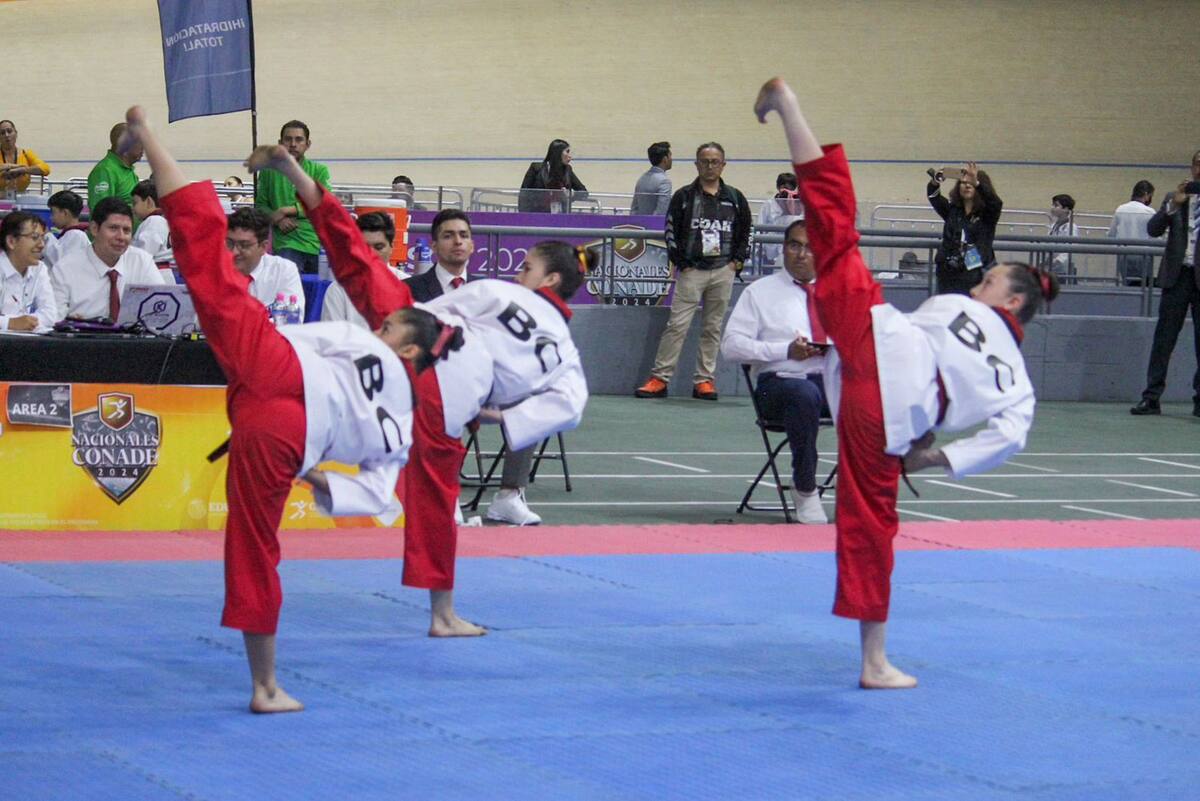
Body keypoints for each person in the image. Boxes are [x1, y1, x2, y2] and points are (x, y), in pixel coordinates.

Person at [120, 105, 453, 713]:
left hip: (281, 387)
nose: (381, 319)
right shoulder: (404, 391)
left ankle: (152, 137)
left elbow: (355, 257)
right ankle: (264, 686)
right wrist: (323, 478)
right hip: (291, 415)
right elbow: (380, 492)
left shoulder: (403, 347)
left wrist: (319, 472)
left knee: (207, 267)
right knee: (254, 543)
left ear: (407, 345)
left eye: (392, 323)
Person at [755, 76, 1058, 689]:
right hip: (891, 407)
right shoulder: (1015, 378)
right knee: (870, 527)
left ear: (1012, 297)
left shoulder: (958, 307)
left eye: (993, 276)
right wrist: (934, 461)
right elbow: (1009, 437)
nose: (982, 279)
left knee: (835, 231)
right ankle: (873, 662)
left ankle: (789, 105)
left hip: (872, 335)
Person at [244, 142, 589, 638]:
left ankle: (298, 177)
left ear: (550, 279)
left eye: (528, 268)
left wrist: (400, 327)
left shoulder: (501, 292)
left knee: (358, 262)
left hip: (413, 336)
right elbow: (569, 407)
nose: (520, 273)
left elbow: (448, 312)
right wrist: (503, 418)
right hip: (449, 393)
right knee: (432, 501)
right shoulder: (567, 355)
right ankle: (442, 614)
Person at [720, 217, 829, 523]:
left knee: (872, 397)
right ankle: (806, 489)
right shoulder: (760, 292)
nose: (802, 253)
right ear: (784, 249)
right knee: (804, 394)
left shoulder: (839, 292)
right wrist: (784, 350)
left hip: (829, 379)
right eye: (795, 245)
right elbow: (730, 346)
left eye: (810, 247)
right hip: (778, 384)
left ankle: (862, 489)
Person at [635, 142, 752, 401]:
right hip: (691, 271)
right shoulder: (684, 197)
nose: (709, 166)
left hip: (723, 270)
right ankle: (659, 378)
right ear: (697, 164)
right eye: (704, 161)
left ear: (723, 164)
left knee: (712, 327)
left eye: (714, 161)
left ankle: (704, 381)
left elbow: (746, 232)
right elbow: (670, 230)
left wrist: (737, 262)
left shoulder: (735, 198)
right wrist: (680, 261)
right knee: (677, 325)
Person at [1130, 151, 1200, 418]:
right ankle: (1151, 397)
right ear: (1191, 167)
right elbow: (1153, 229)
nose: (1199, 170)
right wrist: (1174, 206)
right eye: (1197, 164)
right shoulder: (1174, 198)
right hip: (1177, 276)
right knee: (1164, 340)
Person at [51, 196, 164, 321]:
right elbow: (54, 321)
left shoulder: (142, 261)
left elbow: (161, 310)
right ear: (94, 229)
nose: (121, 237)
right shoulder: (65, 268)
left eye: (126, 230)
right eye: (113, 228)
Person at [254, 120, 331, 274]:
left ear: (308, 144)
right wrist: (278, 218)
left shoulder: (319, 171)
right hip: (286, 244)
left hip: (318, 245)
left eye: (299, 139)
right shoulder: (268, 171)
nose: (293, 144)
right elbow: (260, 206)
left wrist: (288, 210)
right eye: (288, 139)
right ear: (280, 143)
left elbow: (324, 204)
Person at [927, 160, 1003, 295]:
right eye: (963, 182)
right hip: (948, 271)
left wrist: (977, 184)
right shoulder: (954, 210)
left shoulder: (987, 214)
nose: (967, 186)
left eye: (971, 183)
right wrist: (935, 181)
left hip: (974, 271)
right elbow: (934, 197)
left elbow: (995, 203)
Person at [321, 212, 408, 327]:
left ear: (392, 247)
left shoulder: (407, 285)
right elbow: (331, 339)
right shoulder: (338, 289)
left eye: (379, 247)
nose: (371, 253)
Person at [226, 207, 305, 320]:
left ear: (263, 247)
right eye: (229, 243)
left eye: (244, 245)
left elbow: (291, 320)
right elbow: (200, 322)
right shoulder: (216, 270)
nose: (234, 252)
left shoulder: (284, 270)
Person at [0, 211, 56, 331]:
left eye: (43, 238)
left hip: (26, 344)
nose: (41, 245)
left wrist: (26, 322)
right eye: (35, 237)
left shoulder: (40, 269)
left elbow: (50, 314)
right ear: (11, 241)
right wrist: (9, 323)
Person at [406, 209, 473, 302]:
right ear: (434, 246)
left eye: (464, 235)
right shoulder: (409, 289)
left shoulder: (485, 289)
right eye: (448, 236)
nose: (458, 241)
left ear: (472, 246)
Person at [1108, 180, 1157, 286]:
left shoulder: (1120, 209)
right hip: (1144, 255)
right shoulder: (1150, 212)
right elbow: (1155, 236)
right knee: (1144, 286)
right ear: (1146, 194)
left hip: (1124, 254)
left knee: (1127, 285)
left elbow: (1111, 234)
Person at [519, 139, 588, 213]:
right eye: (567, 152)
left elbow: (583, 192)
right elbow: (524, 195)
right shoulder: (536, 168)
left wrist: (570, 195)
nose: (570, 156)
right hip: (538, 216)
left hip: (560, 217)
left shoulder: (568, 170)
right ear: (557, 153)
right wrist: (526, 217)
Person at [88, 122, 143, 209]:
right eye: (140, 143)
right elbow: (101, 211)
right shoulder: (105, 171)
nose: (143, 147)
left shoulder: (127, 170)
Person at [756, 171, 803, 265]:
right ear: (778, 187)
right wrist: (758, 248)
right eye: (783, 185)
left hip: (792, 246)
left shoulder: (800, 205)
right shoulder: (769, 204)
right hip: (770, 247)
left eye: (790, 186)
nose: (786, 188)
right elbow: (760, 225)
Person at [131, 179, 174, 282]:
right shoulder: (161, 221)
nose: (133, 208)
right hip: (161, 273)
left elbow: (145, 252)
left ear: (149, 202)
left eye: (135, 203)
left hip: (154, 274)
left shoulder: (154, 221)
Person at [0, 119, 51, 196]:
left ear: (16, 134)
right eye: (2, 133)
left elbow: (45, 169)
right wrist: (12, 166)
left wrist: (23, 170)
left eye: (9, 131)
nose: (7, 135)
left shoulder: (26, 154)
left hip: (20, 199)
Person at [42, 190, 90, 268]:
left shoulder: (77, 236)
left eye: (53, 212)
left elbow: (60, 260)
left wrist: (47, 236)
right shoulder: (70, 234)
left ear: (65, 213)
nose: (51, 218)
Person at [630, 141, 673, 216]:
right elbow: (661, 211)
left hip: (639, 225)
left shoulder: (642, 178)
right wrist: (651, 225)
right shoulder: (664, 182)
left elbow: (634, 208)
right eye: (670, 156)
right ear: (665, 159)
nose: (671, 159)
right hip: (653, 226)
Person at [1045, 193, 1078, 281]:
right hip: (1053, 267)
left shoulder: (1071, 227)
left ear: (1066, 209)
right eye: (1052, 205)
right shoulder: (1056, 225)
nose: (1052, 207)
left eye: (1056, 205)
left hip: (1063, 269)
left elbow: (1071, 248)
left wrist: (1057, 261)